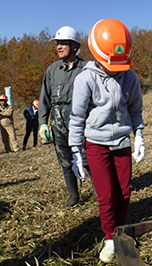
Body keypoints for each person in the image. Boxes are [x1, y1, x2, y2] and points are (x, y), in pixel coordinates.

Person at [68, 19, 145, 263]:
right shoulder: (85, 79)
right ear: (97, 55)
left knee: (123, 192)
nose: (115, 69)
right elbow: (77, 117)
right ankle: (109, 237)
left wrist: (140, 135)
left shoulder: (129, 78)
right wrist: (76, 151)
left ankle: (119, 232)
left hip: (122, 140)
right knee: (106, 194)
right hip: (96, 143)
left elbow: (135, 110)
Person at [38, 26, 92, 209]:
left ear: (75, 46)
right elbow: (44, 99)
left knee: (87, 158)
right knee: (64, 159)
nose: (58, 47)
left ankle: (102, 193)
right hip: (57, 119)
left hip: (80, 119)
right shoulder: (52, 70)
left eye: (63, 43)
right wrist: (42, 124)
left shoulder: (87, 68)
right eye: (57, 43)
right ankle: (73, 196)